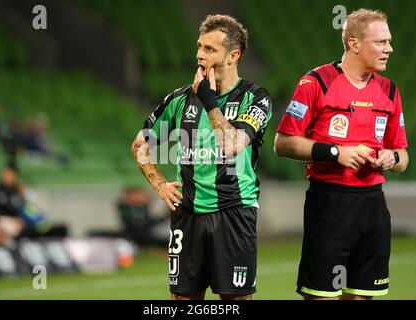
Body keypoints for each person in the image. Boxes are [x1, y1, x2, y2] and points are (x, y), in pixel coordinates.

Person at [131, 15, 272, 300]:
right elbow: (140, 145)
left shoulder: (255, 98)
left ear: (234, 55)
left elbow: (232, 144)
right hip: (187, 216)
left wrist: (208, 99)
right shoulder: (179, 100)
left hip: (234, 213)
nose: (199, 54)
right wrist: (160, 185)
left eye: (210, 49)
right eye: (199, 46)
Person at [274, 9, 409, 300]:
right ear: (354, 44)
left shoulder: (389, 91)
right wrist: (334, 152)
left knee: (361, 295)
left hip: (373, 206)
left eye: (389, 41)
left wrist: (391, 158)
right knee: (322, 295)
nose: (389, 49)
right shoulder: (316, 82)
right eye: (381, 42)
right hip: (330, 204)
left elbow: (402, 156)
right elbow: (283, 142)